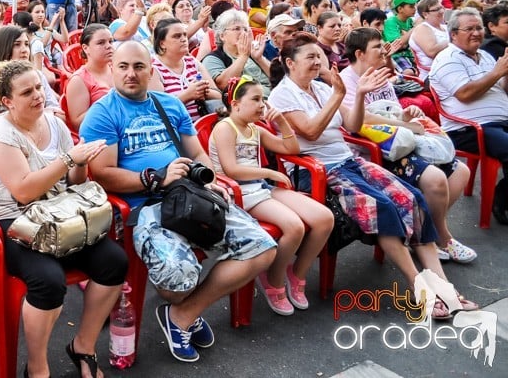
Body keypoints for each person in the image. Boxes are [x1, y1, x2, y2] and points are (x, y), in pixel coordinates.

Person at [82, 42, 275, 363]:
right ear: (113, 68)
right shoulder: (102, 113)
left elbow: (196, 152)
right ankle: (182, 307)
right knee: (178, 280)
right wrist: (155, 177)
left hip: (188, 195)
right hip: (143, 208)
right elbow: (102, 174)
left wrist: (211, 179)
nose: (131, 74)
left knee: (263, 248)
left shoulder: (169, 104)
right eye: (124, 67)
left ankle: (182, 316)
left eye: (139, 67)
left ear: (151, 70)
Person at [268, 33, 476, 318]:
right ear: (290, 63)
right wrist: (340, 94)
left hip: (348, 162)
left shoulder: (322, 88)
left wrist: (361, 95)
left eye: (319, 56)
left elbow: (352, 125)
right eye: (310, 57)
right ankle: (422, 290)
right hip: (317, 171)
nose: (318, 62)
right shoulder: (282, 94)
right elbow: (311, 131)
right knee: (384, 207)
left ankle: (445, 288)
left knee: (413, 199)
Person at [0, 60, 126, 378]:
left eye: (39, 87)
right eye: (27, 91)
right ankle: (37, 366)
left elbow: (72, 181)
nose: (37, 95)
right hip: (7, 221)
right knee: (48, 280)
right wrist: (70, 157)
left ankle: (83, 346)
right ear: (7, 101)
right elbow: (24, 191)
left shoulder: (54, 124)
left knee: (114, 262)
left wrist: (81, 163)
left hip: (57, 216)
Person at [341, 27, 475, 262]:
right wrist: (405, 125)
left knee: (461, 172)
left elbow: (394, 110)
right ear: (360, 53)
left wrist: (407, 114)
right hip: (375, 151)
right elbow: (360, 121)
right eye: (376, 46)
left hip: (401, 141)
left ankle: (425, 232)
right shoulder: (347, 80)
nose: (383, 50)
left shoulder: (379, 74)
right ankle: (442, 238)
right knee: (435, 179)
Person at [208, 76, 333, 315]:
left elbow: (291, 149)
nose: (261, 105)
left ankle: (295, 274)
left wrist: (282, 123)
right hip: (240, 193)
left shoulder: (255, 129)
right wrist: (269, 172)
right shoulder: (225, 127)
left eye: (262, 99)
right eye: (255, 99)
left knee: (324, 218)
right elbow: (231, 169)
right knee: (294, 227)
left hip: (260, 188)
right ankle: (273, 281)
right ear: (235, 104)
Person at [429, 8, 508, 225]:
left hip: (500, 121)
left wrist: (505, 74)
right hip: (469, 129)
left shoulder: (484, 56)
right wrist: (497, 73)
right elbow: (464, 94)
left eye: (479, 28)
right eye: (469, 29)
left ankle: (502, 193)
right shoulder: (447, 58)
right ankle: (500, 198)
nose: (476, 33)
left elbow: (502, 89)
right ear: (453, 34)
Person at [0, 26, 60, 124]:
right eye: (17, 45)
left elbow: (59, 114)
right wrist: (13, 116)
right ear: (3, 48)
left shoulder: (37, 75)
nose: (24, 50)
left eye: (27, 44)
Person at [148, 18, 220, 121]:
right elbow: (158, 111)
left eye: (184, 35)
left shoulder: (192, 62)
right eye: (177, 36)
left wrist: (203, 91)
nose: (183, 39)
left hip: (204, 126)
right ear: (162, 43)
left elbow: (218, 95)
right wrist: (187, 95)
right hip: (176, 130)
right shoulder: (154, 69)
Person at [201, 10, 271, 96]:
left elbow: (279, 79)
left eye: (245, 29)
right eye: (237, 29)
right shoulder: (212, 58)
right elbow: (223, 85)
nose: (243, 32)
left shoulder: (253, 53)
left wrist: (259, 58)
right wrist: (243, 56)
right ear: (222, 36)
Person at [64, 24, 114, 131]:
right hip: (100, 134)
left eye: (111, 41)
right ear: (86, 48)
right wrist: (110, 102)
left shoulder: (118, 69)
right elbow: (77, 123)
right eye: (101, 43)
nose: (109, 46)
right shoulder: (78, 80)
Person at [409, 0, 448, 78]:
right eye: (436, 9)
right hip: (432, 76)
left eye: (441, 7)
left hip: (449, 70)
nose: (441, 11)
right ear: (425, 14)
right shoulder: (422, 29)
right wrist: (454, 40)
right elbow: (431, 52)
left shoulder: (445, 27)